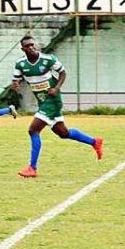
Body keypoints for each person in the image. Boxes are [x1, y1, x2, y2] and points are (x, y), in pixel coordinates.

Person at [11, 36, 103, 178]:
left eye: (32, 45)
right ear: (22, 49)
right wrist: (16, 84)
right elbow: (16, 79)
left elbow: (63, 72)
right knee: (63, 133)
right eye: (27, 46)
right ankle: (94, 142)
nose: (31, 47)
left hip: (52, 100)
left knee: (33, 130)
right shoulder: (20, 64)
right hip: (42, 101)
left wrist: (57, 88)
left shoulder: (48, 60)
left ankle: (32, 168)